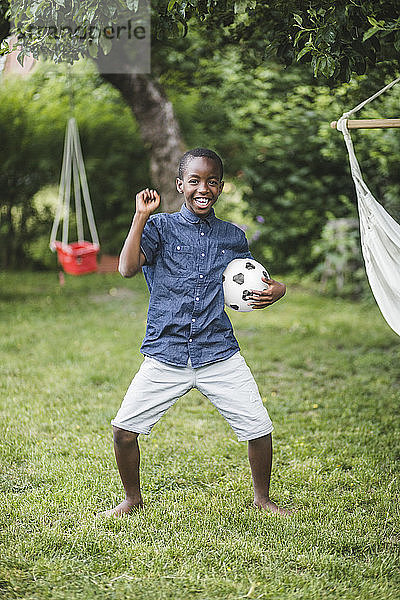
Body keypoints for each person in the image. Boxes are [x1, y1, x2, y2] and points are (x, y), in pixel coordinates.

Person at [99, 148, 290, 517]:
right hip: (166, 351)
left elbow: (254, 281)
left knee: (259, 427)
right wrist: (141, 216)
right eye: (195, 181)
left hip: (217, 350)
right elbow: (125, 269)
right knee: (124, 431)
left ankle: (263, 499)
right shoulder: (159, 228)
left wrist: (278, 289)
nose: (204, 188)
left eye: (212, 181)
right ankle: (131, 499)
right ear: (180, 185)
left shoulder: (233, 236)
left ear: (221, 187)